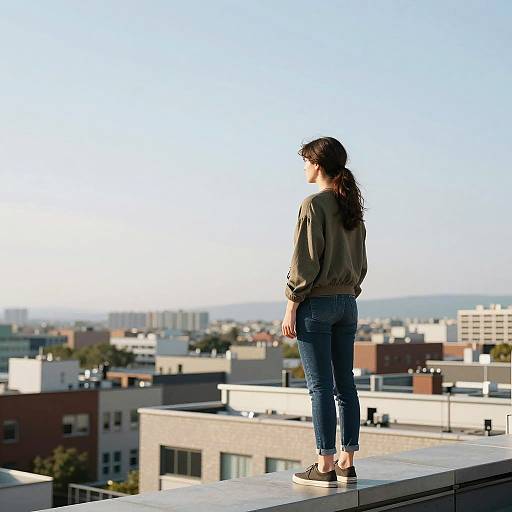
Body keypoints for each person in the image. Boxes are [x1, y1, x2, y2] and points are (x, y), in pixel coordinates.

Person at [282, 136, 367, 488]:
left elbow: (305, 262)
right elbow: (361, 265)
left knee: (320, 388)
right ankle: (347, 462)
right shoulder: (352, 208)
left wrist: (291, 305)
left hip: (316, 304)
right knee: (345, 385)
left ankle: (325, 464)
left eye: (305, 161)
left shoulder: (313, 205)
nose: (303, 167)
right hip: (348, 303)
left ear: (317, 164)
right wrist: (348, 292)